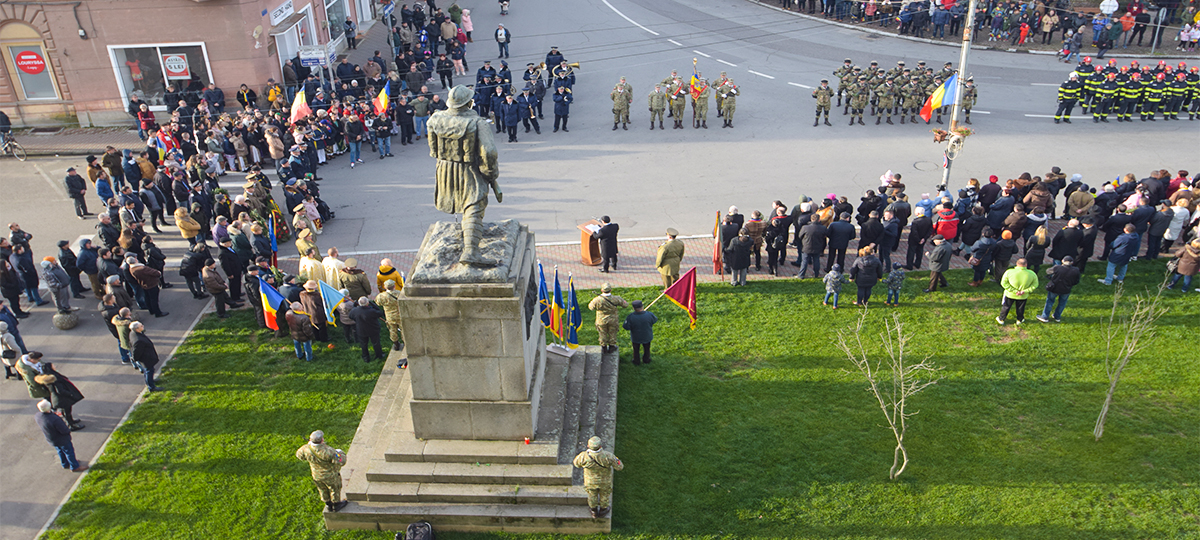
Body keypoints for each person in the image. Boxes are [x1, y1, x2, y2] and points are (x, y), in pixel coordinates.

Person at [428, 85, 502, 266]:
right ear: (469, 103)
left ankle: (469, 237)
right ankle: (471, 251)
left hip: (444, 169)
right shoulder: (478, 123)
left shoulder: (435, 119)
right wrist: (490, 173)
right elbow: (489, 152)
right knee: (474, 205)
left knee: (463, 203)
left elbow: (433, 149)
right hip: (470, 169)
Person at [295, 430, 348, 512]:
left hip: (316, 475)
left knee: (322, 489)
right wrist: (340, 452)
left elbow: (299, 455)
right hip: (330, 475)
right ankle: (336, 504)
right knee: (334, 489)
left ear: (310, 440)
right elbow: (341, 461)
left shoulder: (305, 449)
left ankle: (328, 504)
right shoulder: (328, 451)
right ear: (322, 440)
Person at [571, 436, 623, 519]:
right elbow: (619, 467)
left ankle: (593, 511)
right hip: (605, 481)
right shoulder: (608, 456)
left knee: (592, 495)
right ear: (600, 446)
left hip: (590, 481)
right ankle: (603, 510)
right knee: (605, 495)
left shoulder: (583, 456)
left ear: (588, 446)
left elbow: (576, 464)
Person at [35, 399, 88, 472]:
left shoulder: (38, 416)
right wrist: (68, 431)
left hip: (51, 439)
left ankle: (65, 464)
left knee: (60, 451)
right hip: (62, 439)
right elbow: (64, 430)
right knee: (69, 452)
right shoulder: (54, 419)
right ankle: (74, 466)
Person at [1037, 256, 1081, 323]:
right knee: (1062, 303)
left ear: (1063, 261)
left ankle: (1045, 317)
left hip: (1054, 288)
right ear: (1072, 262)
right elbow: (1076, 281)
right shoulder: (1076, 270)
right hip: (1066, 289)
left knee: (1049, 302)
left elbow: (1048, 271)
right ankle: (1057, 316)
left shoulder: (1057, 268)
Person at [349, 296, 385, 362]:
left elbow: (350, 316)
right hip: (373, 329)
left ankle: (366, 357)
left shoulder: (355, 311)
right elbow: (380, 313)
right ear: (367, 303)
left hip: (361, 330)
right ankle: (379, 355)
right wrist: (373, 304)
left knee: (363, 344)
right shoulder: (371, 311)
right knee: (376, 343)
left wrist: (354, 305)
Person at [130, 321, 163, 391]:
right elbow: (137, 351)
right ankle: (151, 387)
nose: (143, 326)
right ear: (137, 329)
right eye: (141, 326)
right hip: (146, 358)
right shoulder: (138, 340)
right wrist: (135, 359)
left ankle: (150, 381)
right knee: (149, 371)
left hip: (146, 357)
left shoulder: (133, 333)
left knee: (149, 371)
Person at [622, 300, 656, 366]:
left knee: (636, 349)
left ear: (633, 308)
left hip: (636, 337)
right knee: (647, 348)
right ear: (642, 306)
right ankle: (646, 359)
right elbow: (654, 320)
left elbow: (626, 327)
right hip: (647, 336)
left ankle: (636, 361)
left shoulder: (631, 317)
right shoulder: (649, 314)